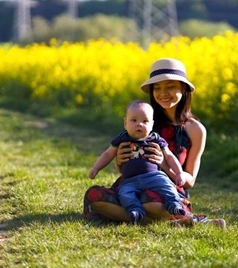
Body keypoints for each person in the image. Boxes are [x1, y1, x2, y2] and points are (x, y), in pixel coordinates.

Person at [83, 57, 225, 228]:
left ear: (184, 88)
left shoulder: (195, 129)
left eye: (170, 86)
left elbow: (189, 181)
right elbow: (126, 168)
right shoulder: (143, 121)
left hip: (165, 191)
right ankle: (176, 223)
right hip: (131, 187)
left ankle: (162, 217)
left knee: (152, 204)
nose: (162, 93)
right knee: (94, 196)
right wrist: (119, 161)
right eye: (157, 88)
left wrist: (163, 164)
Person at [89, 100, 188, 223]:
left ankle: (174, 205)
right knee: (125, 194)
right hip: (130, 180)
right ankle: (135, 211)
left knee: (167, 187)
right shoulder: (121, 138)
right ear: (125, 123)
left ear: (152, 125)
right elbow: (108, 154)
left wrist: (179, 173)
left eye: (145, 121)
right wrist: (96, 168)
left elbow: (169, 156)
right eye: (134, 120)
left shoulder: (156, 138)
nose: (139, 124)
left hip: (154, 176)